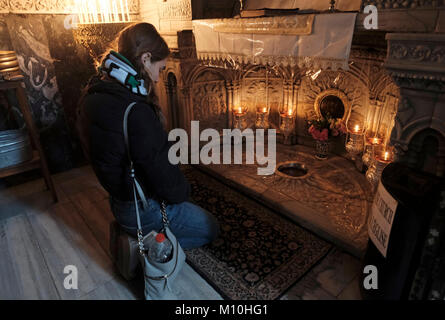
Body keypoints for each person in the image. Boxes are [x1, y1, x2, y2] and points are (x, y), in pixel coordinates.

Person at [76, 23, 219, 251]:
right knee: (210, 227)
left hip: (118, 200)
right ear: (145, 59)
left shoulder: (95, 90)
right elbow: (162, 176)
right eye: (161, 69)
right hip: (141, 210)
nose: (159, 78)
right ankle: (143, 245)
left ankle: (141, 234)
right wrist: (183, 192)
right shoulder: (136, 110)